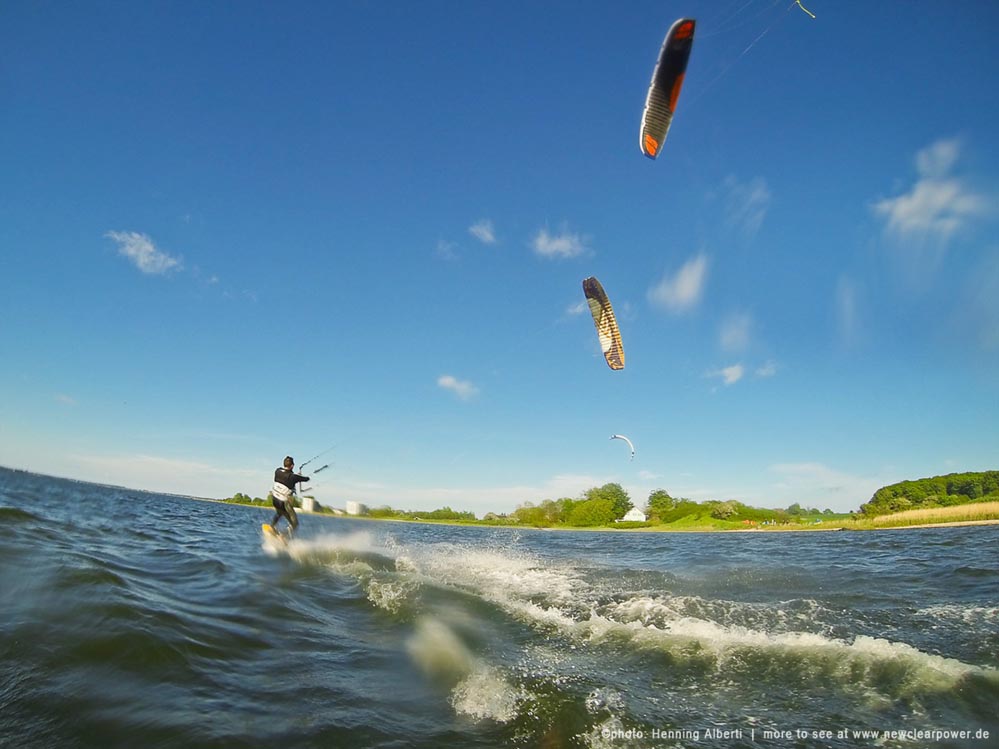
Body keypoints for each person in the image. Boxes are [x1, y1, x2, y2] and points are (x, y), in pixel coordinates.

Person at [269, 456, 309, 537]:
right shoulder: (293, 477)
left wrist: (296, 476)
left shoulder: (277, 471)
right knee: (295, 524)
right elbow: (306, 479)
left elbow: (286, 475)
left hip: (275, 500)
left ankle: (272, 527)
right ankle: (283, 535)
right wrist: (302, 477)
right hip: (284, 503)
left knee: (279, 513)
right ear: (292, 466)